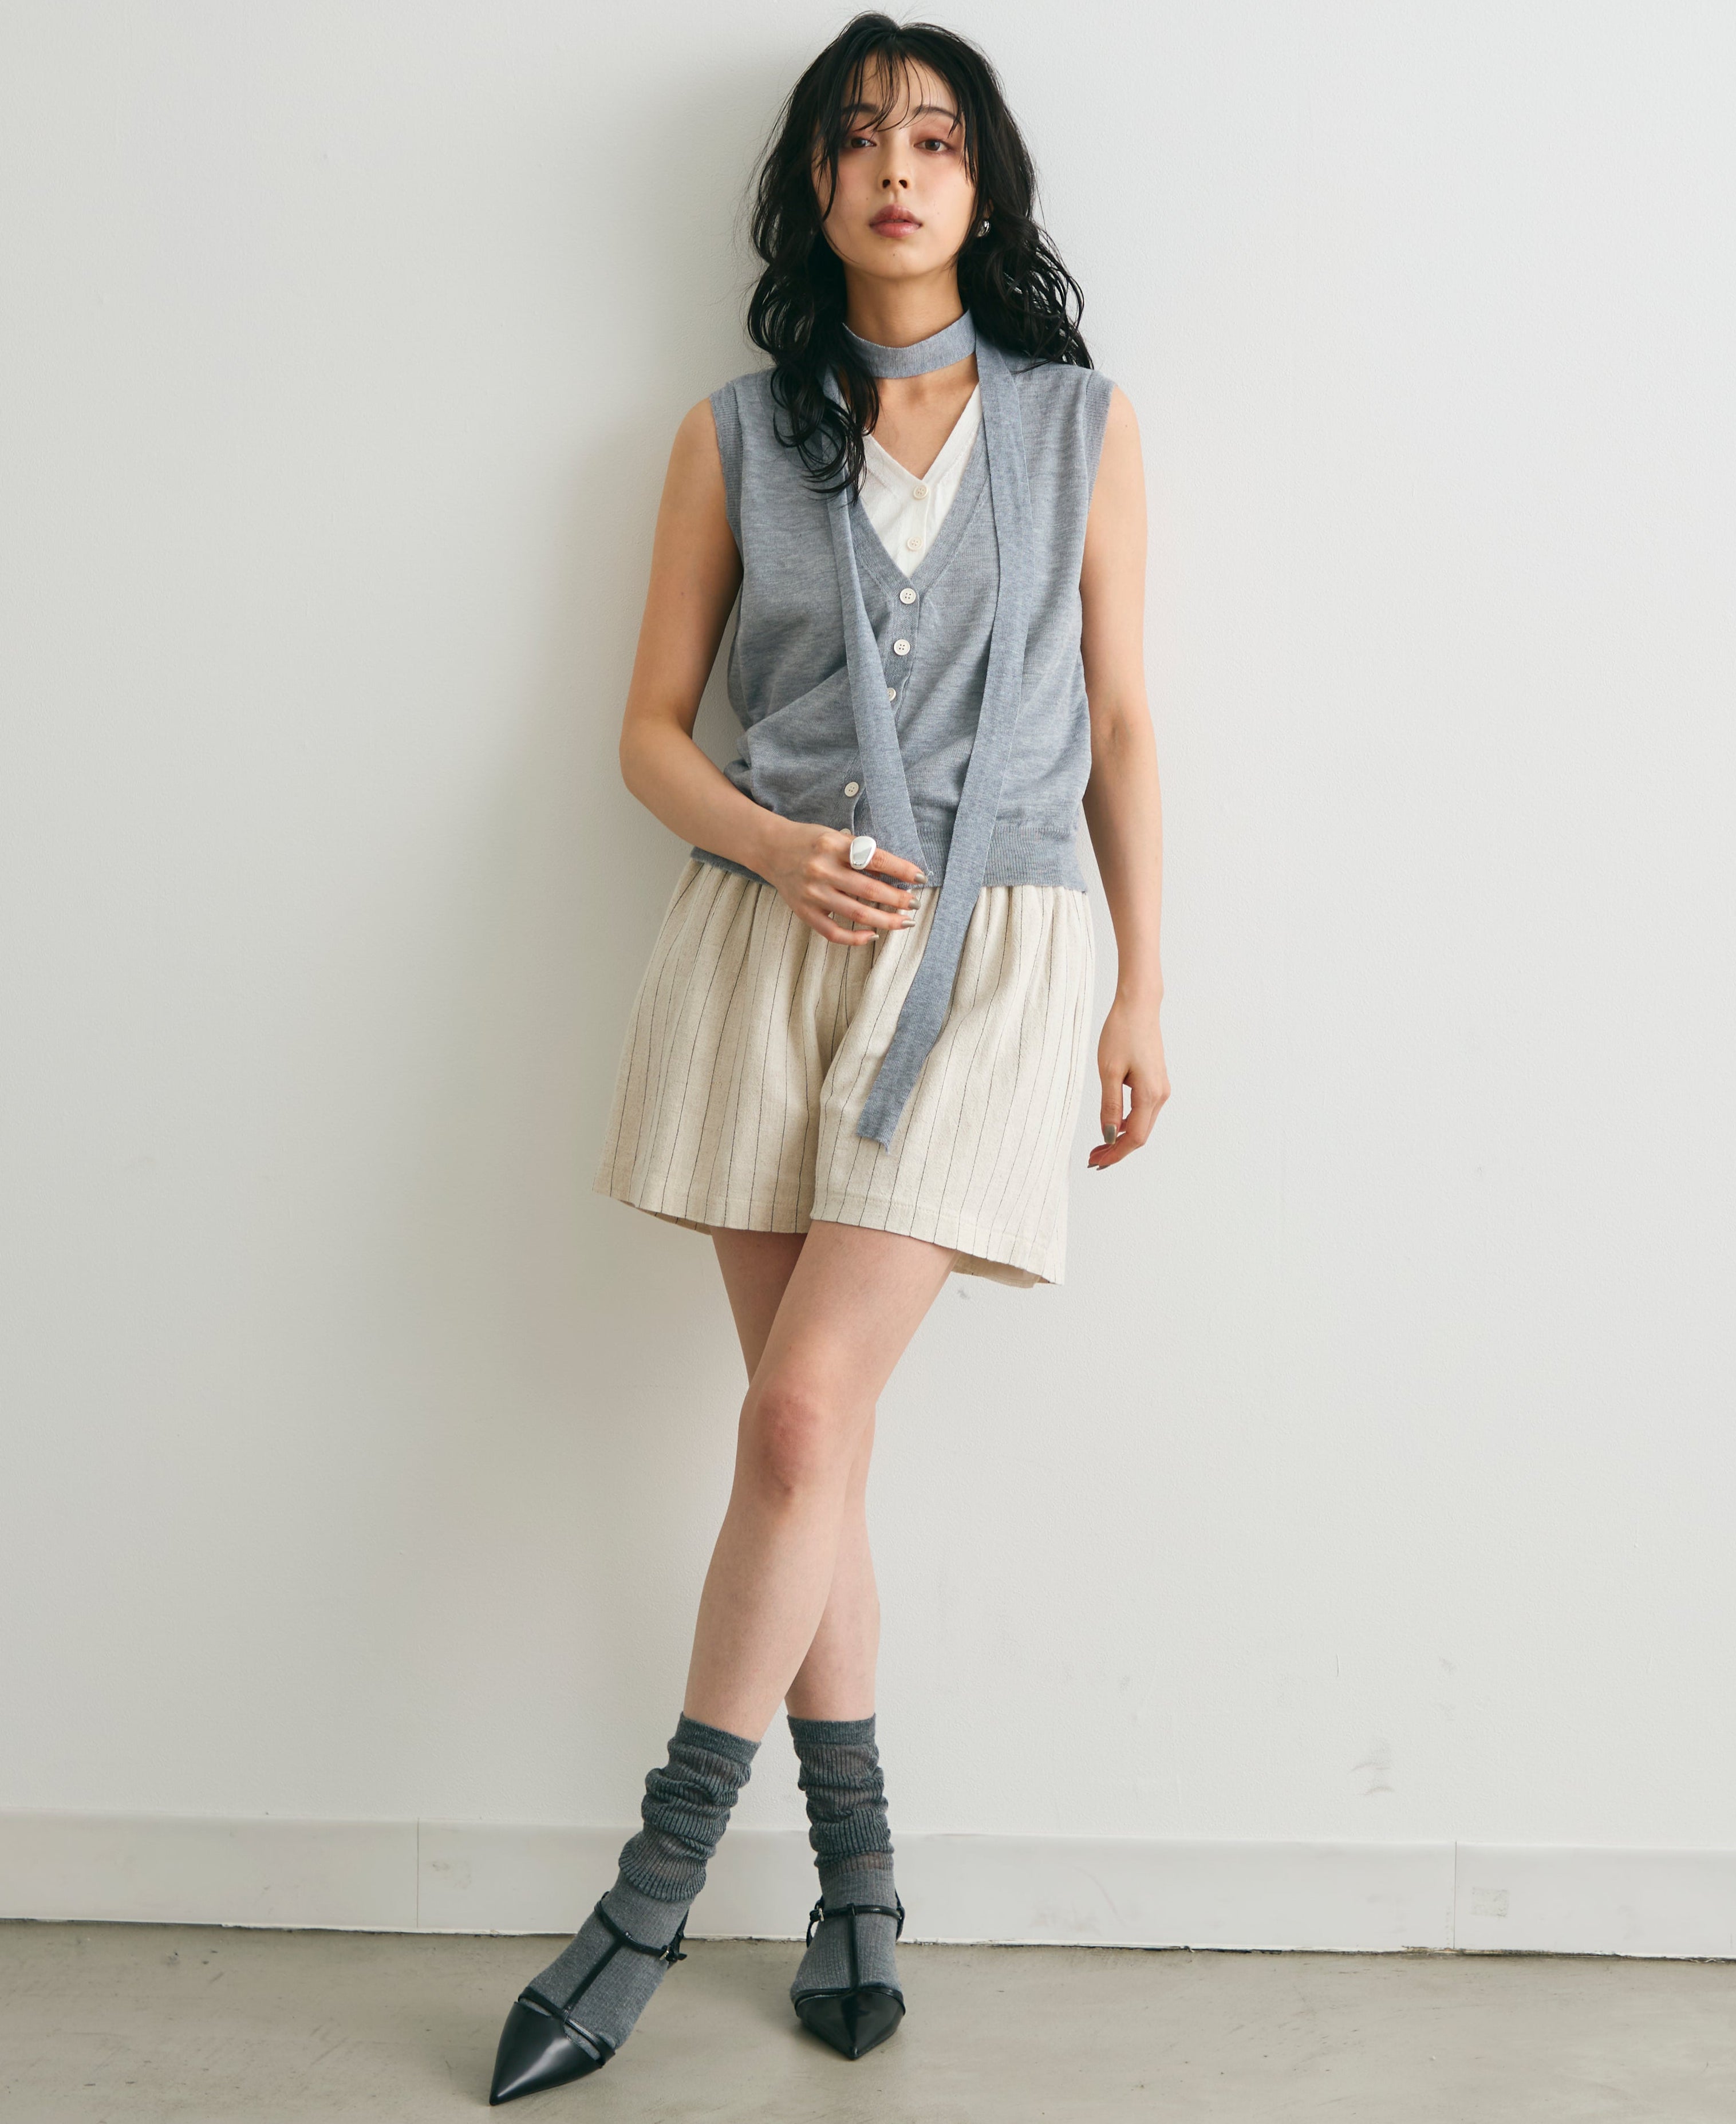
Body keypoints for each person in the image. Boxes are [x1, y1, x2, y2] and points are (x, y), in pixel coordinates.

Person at [487, 12, 1166, 2104]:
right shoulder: (726, 438)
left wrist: (1144, 987)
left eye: (936, 139)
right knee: (819, 1448)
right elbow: (646, 735)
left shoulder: (1077, 425)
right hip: (757, 952)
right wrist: (776, 846)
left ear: (983, 186)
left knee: (793, 1418)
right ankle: (860, 1881)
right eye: (859, 137)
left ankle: (649, 1894)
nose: (896, 167)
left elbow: (1119, 721)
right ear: (810, 181)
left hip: (995, 955)